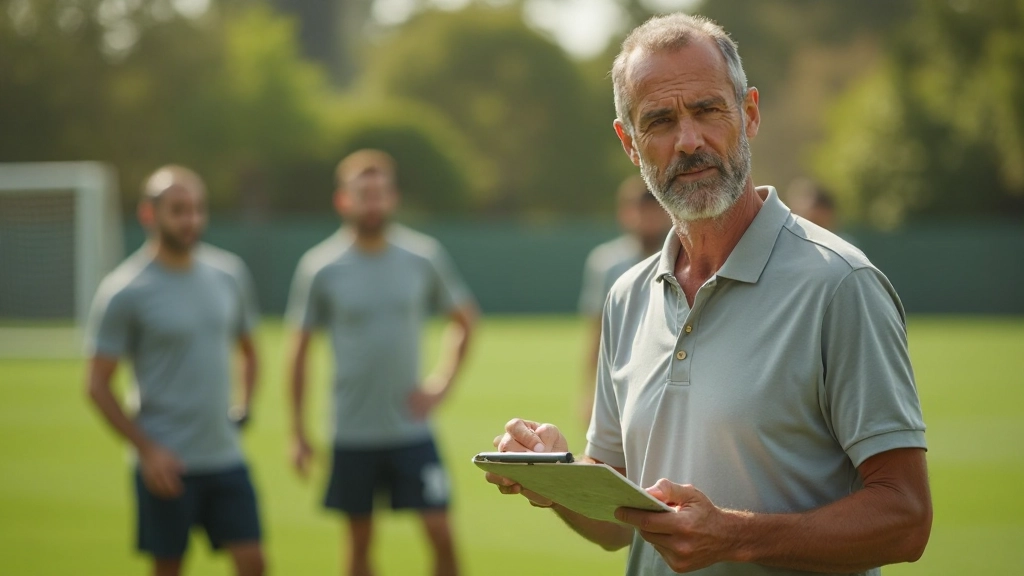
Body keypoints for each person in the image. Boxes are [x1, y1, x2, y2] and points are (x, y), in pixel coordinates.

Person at [485, 13, 931, 576]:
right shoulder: (626, 295)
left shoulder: (840, 283)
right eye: (660, 120)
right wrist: (557, 475)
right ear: (629, 143)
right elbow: (615, 525)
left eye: (707, 110)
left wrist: (735, 536)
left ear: (749, 114)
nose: (689, 140)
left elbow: (907, 518)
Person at [286, 149, 477, 576]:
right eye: (363, 194)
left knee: (441, 532)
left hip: (411, 429)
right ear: (344, 201)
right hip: (352, 430)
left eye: (381, 194)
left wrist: (442, 382)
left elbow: (465, 320)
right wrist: (298, 432)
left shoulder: (422, 257)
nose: (373, 203)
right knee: (358, 543)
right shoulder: (321, 267)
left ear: (393, 199)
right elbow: (298, 350)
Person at [85, 166, 265, 576]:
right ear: (149, 214)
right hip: (168, 464)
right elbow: (97, 385)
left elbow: (250, 350)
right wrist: (148, 450)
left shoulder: (229, 274)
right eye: (179, 210)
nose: (192, 220)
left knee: (253, 563)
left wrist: (245, 406)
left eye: (199, 209)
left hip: (225, 457)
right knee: (169, 568)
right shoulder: (125, 291)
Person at [578, 175, 671, 423]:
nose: (647, 219)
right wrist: (591, 392)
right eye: (641, 211)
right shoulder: (607, 263)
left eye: (654, 211)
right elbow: (597, 332)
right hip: (621, 377)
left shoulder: (682, 257)